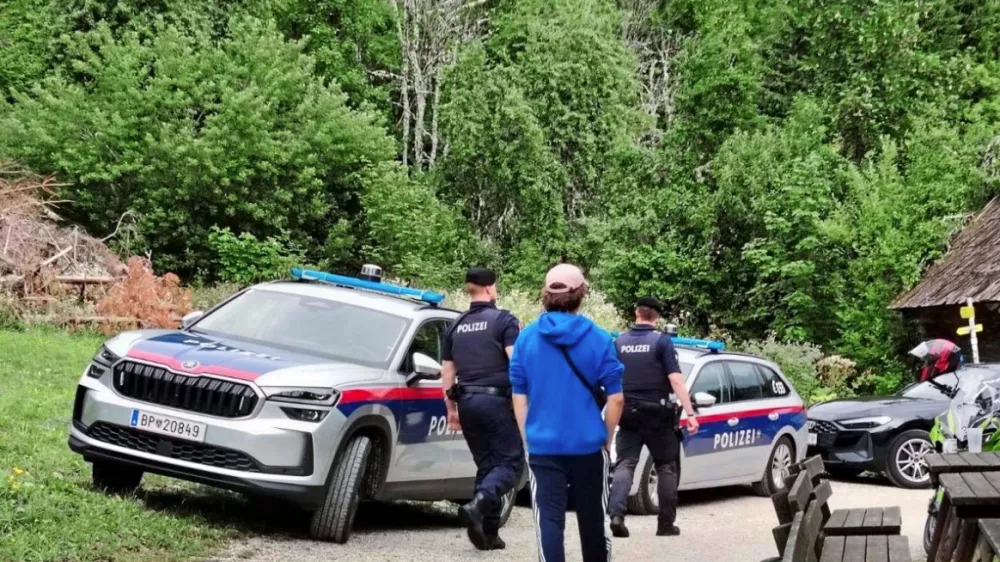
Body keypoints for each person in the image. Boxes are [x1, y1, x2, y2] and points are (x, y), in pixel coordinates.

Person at [509, 263, 625, 562]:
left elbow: (519, 393)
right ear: (581, 295)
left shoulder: (526, 338)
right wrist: (607, 439)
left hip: (543, 446)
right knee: (592, 521)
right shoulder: (600, 339)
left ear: (544, 296)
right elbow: (616, 400)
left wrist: (527, 437)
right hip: (588, 445)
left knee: (548, 521)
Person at [440, 267, 524, 551]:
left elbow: (447, 373)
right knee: (511, 464)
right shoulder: (504, 321)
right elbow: (517, 363)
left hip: (466, 402)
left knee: (488, 465)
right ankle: (478, 506)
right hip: (496, 401)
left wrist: (451, 408)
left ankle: (488, 532)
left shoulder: (456, 324)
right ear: (490, 288)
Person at [606, 297, 699, 539]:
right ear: (656, 317)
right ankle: (666, 525)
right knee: (666, 466)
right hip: (658, 414)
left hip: (627, 411)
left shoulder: (620, 342)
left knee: (625, 463)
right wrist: (690, 413)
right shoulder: (662, 342)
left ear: (636, 312)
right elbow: (676, 379)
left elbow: (611, 379)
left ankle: (616, 515)